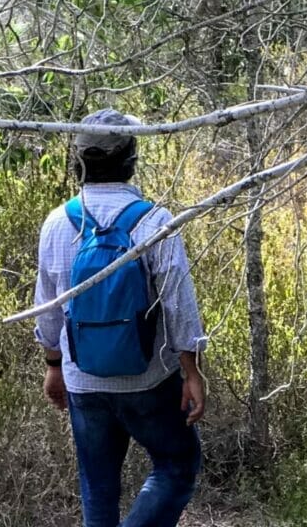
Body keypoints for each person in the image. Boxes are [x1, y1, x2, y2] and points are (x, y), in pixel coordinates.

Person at [33, 109, 208, 527]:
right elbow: (179, 304)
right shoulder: (154, 221)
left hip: (83, 381)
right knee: (177, 465)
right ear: (132, 157)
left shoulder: (57, 223)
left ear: (79, 161)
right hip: (147, 378)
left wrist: (53, 367)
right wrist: (192, 371)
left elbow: (49, 307)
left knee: (98, 489)